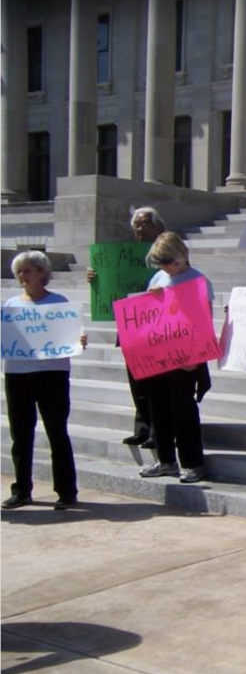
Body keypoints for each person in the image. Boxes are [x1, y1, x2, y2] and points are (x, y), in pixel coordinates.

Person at [2, 251, 86, 510]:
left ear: (42, 272)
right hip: (18, 374)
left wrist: (79, 340)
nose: (22, 276)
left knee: (57, 432)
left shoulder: (59, 303)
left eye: (27, 270)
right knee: (21, 435)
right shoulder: (10, 306)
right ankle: (22, 490)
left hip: (52, 374)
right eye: (19, 272)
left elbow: (72, 335)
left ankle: (66, 491)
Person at [137, 232, 214, 484]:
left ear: (183, 256)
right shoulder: (158, 277)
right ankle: (165, 459)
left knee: (183, 410)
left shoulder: (198, 279)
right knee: (158, 408)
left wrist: (196, 357)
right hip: (159, 353)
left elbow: (204, 321)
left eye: (171, 262)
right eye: (162, 263)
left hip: (185, 355)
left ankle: (193, 462)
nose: (167, 267)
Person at [87, 207, 166, 448]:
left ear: (158, 227)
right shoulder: (123, 256)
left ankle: (158, 430)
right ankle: (142, 428)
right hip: (131, 326)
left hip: (156, 327)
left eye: (145, 224)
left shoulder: (169, 254)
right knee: (137, 381)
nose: (140, 229)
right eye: (137, 225)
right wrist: (97, 277)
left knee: (156, 384)